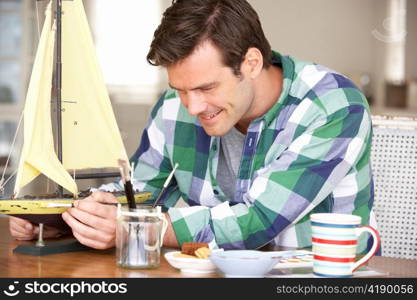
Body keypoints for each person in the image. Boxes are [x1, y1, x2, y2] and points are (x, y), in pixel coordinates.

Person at [9, 0, 374, 252]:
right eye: (180, 89)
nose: (192, 106)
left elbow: (259, 219)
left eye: (206, 87)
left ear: (250, 62)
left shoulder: (332, 105)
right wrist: (65, 218)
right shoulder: (175, 107)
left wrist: (138, 229)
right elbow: (142, 194)